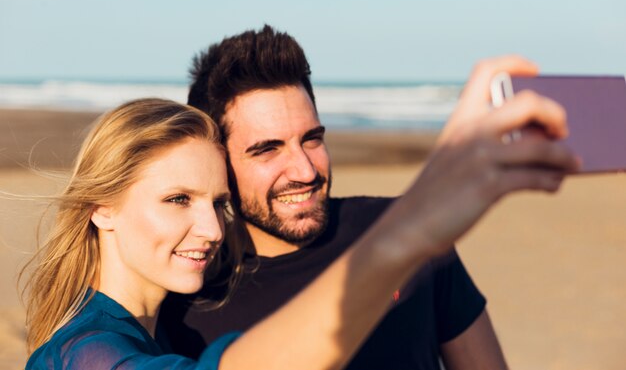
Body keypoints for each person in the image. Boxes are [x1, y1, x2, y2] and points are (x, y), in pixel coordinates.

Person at [22, 71, 577, 368]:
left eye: (220, 203)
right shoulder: (85, 350)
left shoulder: (143, 325)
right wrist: (410, 230)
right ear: (102, 207)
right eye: (177, 200)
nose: (214, 230)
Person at [160, 25, 578, 370]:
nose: (305, 171)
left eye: (312, 139)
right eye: (267, 149)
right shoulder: (187, 297)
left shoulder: (412, 229)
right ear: (218, 161)